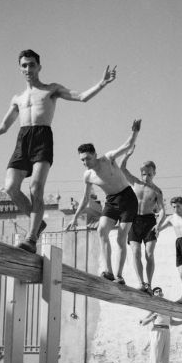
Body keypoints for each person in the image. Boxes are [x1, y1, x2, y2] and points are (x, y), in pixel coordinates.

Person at [0, 49, 116, 253]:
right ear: (20, 69)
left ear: (39, 67)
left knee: (35, 189)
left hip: (42, 138)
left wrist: (102, 83)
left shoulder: (51, 90)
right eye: (24, 65)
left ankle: (31, 238)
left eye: (32, 64)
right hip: (23, 139)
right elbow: (3, 127)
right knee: (11, 187)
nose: (28, 68)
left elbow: (81, 97)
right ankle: (37, 222)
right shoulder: (17, 98)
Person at [66, 120, 141, 284]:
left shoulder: (108, 159)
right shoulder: (87, 175)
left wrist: (135, 132)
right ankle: (109, 272)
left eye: (87, 158)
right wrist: (74, 217)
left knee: (121, 238)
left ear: (94, 154)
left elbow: (127, 146)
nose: (85, 163)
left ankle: (119, 276)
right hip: (111, 201)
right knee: (101, 231)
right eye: (82, 161)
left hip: (128, 198)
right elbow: (85, 198)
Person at [120, 148, 166, 293]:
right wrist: (127, 155)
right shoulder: (136, 182)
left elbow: (163, 210)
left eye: (149, 174)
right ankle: (141, 282)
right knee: (135, 251)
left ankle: (149, 283)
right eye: (144, 174)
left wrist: (158, 225)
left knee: (149, 254)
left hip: (149, 222)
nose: (146, 177)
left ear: (154, 174)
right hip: (134, 220)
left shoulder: (157, 191)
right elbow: (122, 168)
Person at [139, 286, 182, 363]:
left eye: (160, 291)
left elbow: (171, 322)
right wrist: (152, 317)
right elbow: (143, 322)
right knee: (155, 358)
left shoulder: (166, 307)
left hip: (167, 331)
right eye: (156, 292)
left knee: (164, 359)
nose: (159, 293)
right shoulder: (153, 307)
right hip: (157, 331)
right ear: (154, 295)